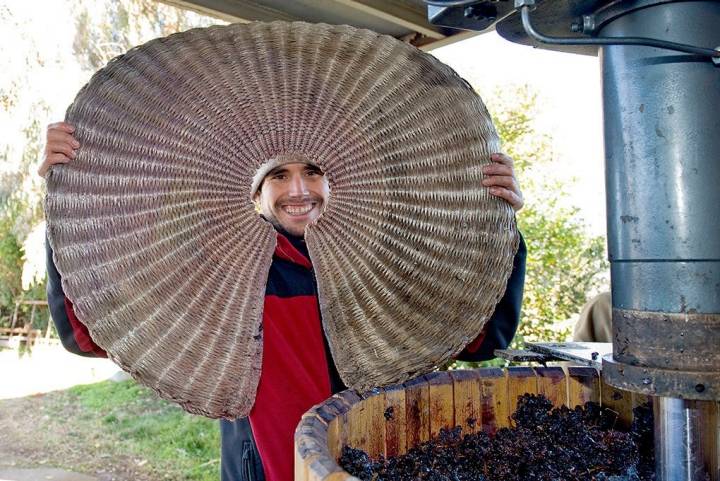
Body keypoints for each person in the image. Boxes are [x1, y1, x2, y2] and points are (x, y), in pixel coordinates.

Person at [41, 121, 527, 481]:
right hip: (266, 466)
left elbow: (482, 339)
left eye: (313, 172)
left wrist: (499, 225)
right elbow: (88, 336)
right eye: (279, 175)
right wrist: (67, 204)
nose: (299, 190)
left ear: (334, 184)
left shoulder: (384, 264)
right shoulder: (221, 272)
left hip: (377, 461)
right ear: (256, 193)